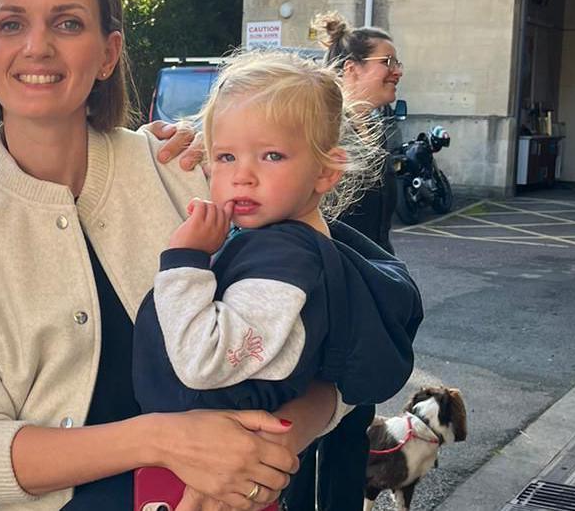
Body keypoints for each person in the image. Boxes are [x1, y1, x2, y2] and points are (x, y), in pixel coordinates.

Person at [0, 0, 347, 511]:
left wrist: (271, 445)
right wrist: (164, 441)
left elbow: (342, 350)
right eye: (11, 23)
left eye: (68, 23)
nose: (38, 46)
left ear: (108, 53)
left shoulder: (191, 171)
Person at [132, 53, 423, 508]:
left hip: (212, 473)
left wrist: (185, 260)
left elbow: (204, 361)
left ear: (326, 171)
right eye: (225, 156)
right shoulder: (294, 242)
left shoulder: (281, 260)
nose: (242, 176)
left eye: (272, 155)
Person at [283, 13, 407, 511]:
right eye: (387, 62)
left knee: (351, 431)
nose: (397, 70)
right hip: (324, 313)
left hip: (364, 309)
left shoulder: (372, 129)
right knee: (305, 441)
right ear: (351, 69)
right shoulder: (321, 135)